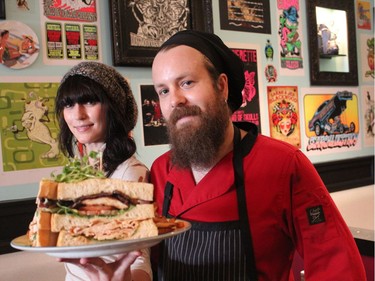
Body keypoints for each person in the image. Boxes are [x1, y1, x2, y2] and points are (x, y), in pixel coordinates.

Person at [149, 30, 367, 280]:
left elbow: (337, 267)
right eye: (163, 91)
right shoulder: (159, 172)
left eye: (186, 83)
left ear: (221, 86)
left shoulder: (281, 165)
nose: (175, 100)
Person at [54, 61, 152, 281]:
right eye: (68, 104)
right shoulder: (79, 171)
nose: (77, 115)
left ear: (113, 108)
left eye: (89, 101)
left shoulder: (129, 174)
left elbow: (139, 258)